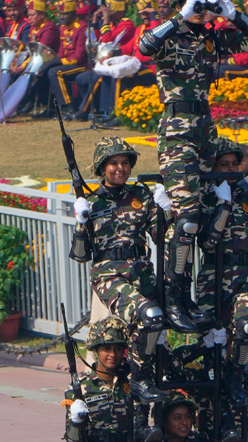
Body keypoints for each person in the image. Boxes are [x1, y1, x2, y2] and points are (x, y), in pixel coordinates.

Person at [138, 0, 248, 308]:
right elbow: (145, 45)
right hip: (177, 128)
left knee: (207, 212)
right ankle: (174, 297)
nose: (203, 10)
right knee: (187, 217)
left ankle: (203, 295)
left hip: (205, 128)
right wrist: (182, 15)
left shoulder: (213, 38)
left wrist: (231, 14)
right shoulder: (171, 33)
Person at [70, 137, 169, 400]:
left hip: (142, 274)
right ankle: (139, 379)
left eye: (125, 162)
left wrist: (165, 211)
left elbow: (160, 236)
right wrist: (81, 222)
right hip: (109, 275)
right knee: (149, 315)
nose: (120, 168)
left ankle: (139, 413)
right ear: (103, 167)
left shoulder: (140, 196)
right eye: (113, 163)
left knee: (152, 335)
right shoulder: (92, 202)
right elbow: (80, 255)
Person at [197, 139, 248, 415]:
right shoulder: (206, 198)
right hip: (214, 276)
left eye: (234, 164)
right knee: (209, 343)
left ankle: (236, 376)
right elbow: (208, 242)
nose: (230, 170)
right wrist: (223, 206)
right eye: (223, 165)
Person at [42, 0, 90, 118]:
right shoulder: (63, 28)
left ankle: (68, 108)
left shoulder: (82, 28)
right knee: (45, 68)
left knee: (55, 72)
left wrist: (59, 62)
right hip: (66, 64)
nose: (61, 17)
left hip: (81, 66)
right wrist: (52, 61)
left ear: (73, 14)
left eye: (65, 14)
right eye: (60, 14)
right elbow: (60, 52)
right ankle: (50, 106)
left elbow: (79, 57)